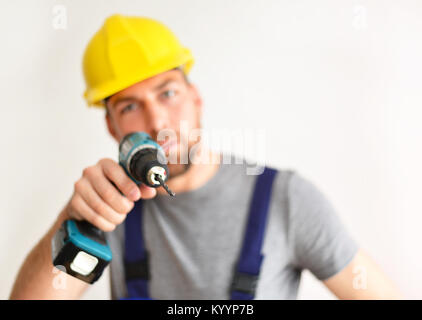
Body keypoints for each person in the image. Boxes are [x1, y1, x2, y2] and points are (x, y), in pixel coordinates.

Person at [10, 14, 402, 300]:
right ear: (113, 127)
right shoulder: (109, 208)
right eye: (130, 107)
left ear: (196, 99)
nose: (158, 120)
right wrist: (71, 219)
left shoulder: (287, 200)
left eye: (168, 93)